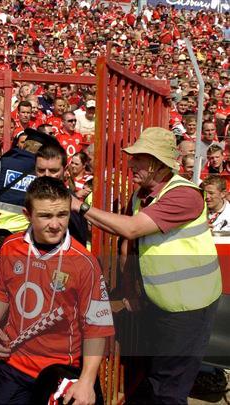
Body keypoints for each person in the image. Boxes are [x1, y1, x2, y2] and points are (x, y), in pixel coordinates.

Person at [71, 127, 222, 403]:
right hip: (161, 304)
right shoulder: (141, 195)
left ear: (158, 163)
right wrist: (130, 290)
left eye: (139, 158)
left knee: (169, 389)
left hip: (190, 308)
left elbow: (130, 229)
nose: (131, 164)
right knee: (157, 379)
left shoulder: (185, 195)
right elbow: (129, 246)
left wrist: (79, 206)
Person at [0, 176, 114, 404]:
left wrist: (86, 381)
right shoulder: (10, 247)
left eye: (62, 215)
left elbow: (96, 327)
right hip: (12, 368)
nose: (55, 224)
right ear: (28, 215)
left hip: (60, 374)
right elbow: (1, 291)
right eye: (45, 216)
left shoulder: (85, 263)